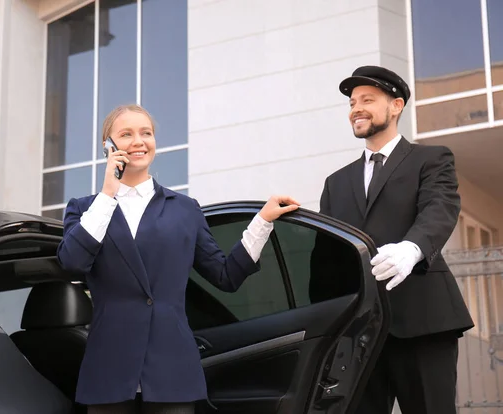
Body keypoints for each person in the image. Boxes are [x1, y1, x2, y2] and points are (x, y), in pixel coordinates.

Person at [56, 104, 300, 414]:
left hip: (171, 368)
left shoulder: (184, 209)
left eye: (147, 133)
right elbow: (73, 262)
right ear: (108, 145)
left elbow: (225, 276)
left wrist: (262, 221)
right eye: (126, 134)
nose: (139, 141)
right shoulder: (84, 208)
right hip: (109, 365)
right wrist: (107, 193)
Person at [316, 65, 474, 414]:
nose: (356, 108)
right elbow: (327, 258)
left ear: (396, 105)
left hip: (424, 321)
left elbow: (440, 208)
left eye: (367, 99)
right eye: (352, 102)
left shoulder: (431, 159)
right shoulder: (336, 183)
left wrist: (412, 247)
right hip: (360, 335)